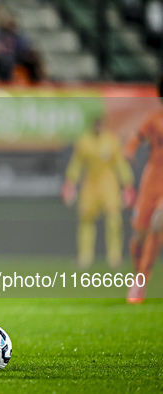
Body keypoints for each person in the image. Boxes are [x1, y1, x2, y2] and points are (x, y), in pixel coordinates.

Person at [61, 117, 135, 269]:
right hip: (90, 183)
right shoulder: (84, 141)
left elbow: (120, 163)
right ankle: (85, 257)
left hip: (109, 183)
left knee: (114, 219)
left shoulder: (112, 140)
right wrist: (70, 182)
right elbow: (77, 163)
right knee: (86, 219)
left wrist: (127, 184)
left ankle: (114, 257)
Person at [124, 77, 163, 304]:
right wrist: (128, 152)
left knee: (159, 222)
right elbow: (135, 139)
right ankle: (136, 277)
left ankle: (142, 280)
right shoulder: (154, 118)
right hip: (151, 181)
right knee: (138, 236)